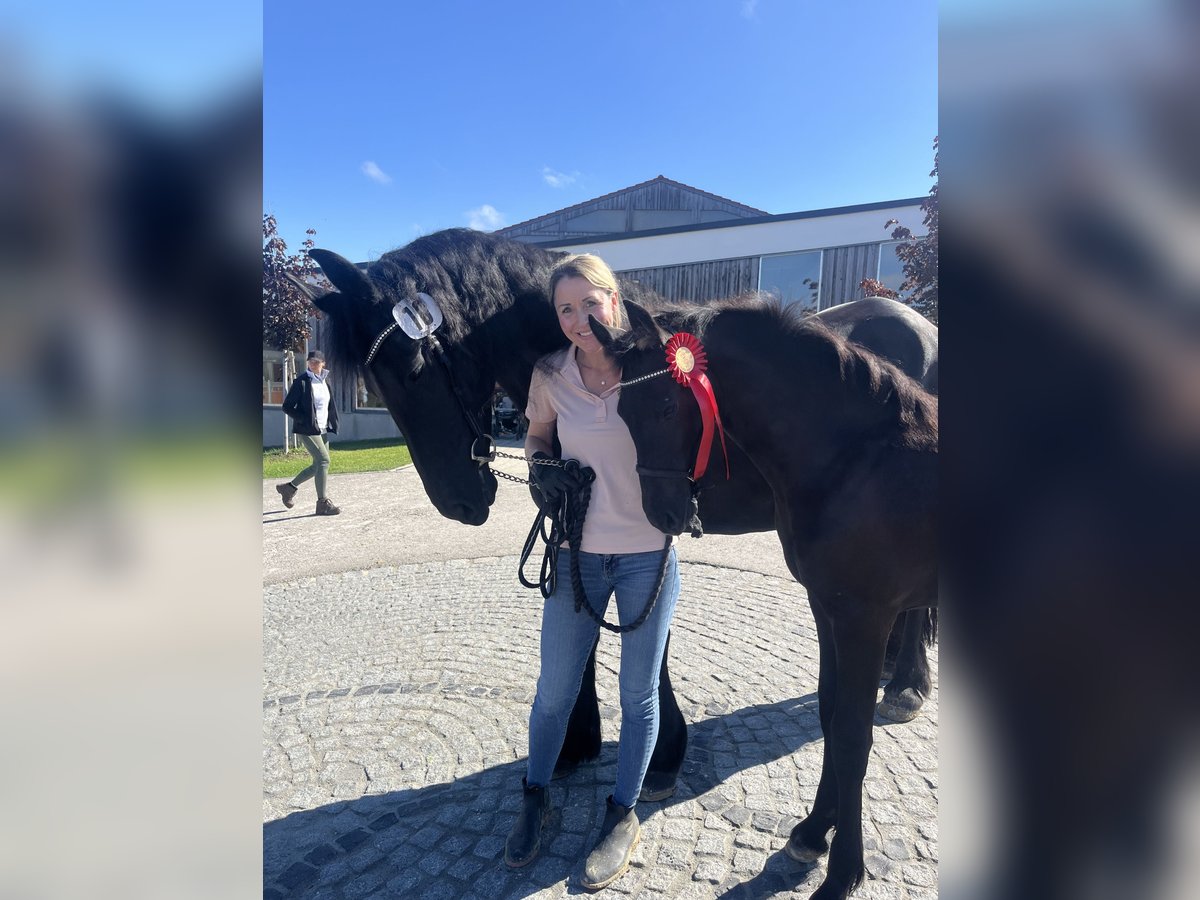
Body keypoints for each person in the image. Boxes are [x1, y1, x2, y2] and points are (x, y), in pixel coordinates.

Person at [504, 255, 680, 890]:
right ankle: (535, 794)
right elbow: (537, 438)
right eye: (565, 309)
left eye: (589, 304)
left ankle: (623, 811)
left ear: (615, 300)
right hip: (575, 553)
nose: (579, 320)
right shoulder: (550, 374)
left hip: (648, 555)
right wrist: (541, 469)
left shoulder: (655, 365)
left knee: (638, 694)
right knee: (555, 691)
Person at [277, 350, 341, 516]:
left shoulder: (325, 381)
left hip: (322, 428)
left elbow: (327, 405)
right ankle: (322, 503)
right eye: (310, 361)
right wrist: (304, 419)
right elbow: (287, 406)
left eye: (316, 361)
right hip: (307, 429)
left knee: (318, 465)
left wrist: (331, 421)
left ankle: (288, 488)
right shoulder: (302, 381)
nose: (313, 364)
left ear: (323, 363)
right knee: (324, 460)